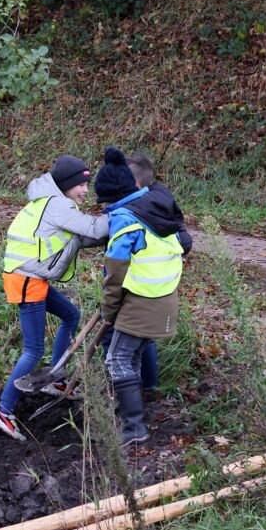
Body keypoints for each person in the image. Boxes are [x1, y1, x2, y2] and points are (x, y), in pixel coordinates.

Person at [0, 155, 109, 442]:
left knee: (70, 315)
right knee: (32, 351)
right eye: (80, 184)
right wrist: (122, 214)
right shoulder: (57, 204)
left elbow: (81, 237)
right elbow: (92, 229)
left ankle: (57, 379)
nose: (84, 190)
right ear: (66, 185)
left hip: (28, 276)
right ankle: (4, 411)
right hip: (28, 280)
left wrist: (107, 233)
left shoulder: (47, 202)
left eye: (86, 185)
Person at [94, 147, 186, 447]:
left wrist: (109, 311)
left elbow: (114, 276)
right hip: (164, 300)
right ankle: (132, 413)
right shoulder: (157, 211)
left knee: (117, 358)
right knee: (130, 355)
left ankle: (134, 427)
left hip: (142, 301)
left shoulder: (126, 220)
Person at [122, 151, 192, 398]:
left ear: (134, 184)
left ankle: (131, 396)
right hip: (159, 289)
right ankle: (147, 389)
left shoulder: (139, 208)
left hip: (141, 289)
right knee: (145, 340)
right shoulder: (161, 199)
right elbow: (185, 239)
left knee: (122, 350)